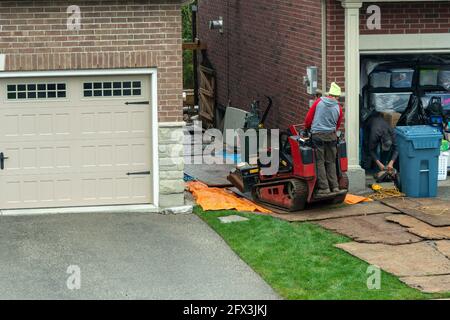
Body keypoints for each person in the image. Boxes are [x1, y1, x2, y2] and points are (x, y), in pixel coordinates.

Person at [304, 82, 344, 195]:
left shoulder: (318, 102)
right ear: (337, 96)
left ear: (329, 94)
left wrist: (307, 128)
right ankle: (335, 187)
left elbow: (308, 119)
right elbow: (337, 124)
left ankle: (324, 188)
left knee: (320, 162)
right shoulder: (338, 107)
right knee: (331, 162)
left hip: (318, 136)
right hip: (331, 136)